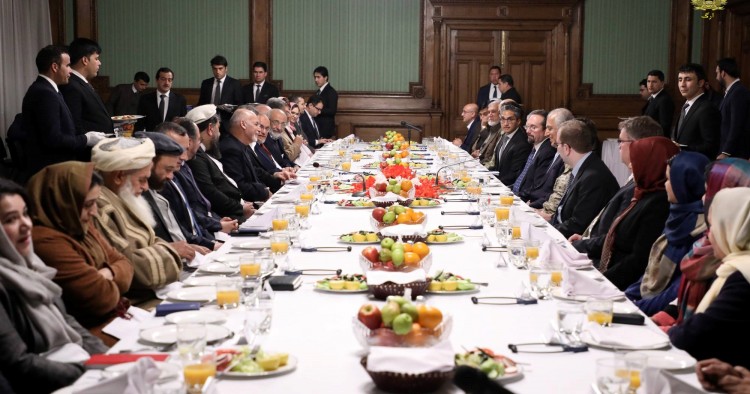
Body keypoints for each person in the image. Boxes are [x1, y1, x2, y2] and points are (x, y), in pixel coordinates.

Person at [0, 178, 108, 393]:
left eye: (25, 213)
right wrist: (88, 370)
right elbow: (18, 363)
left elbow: (68, 322)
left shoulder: (31, 265)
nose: (26, 224)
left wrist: (106, 359)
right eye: (12, 219)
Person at [26, 161, 134, 331]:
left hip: (114, 319)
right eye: (88, 204)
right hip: (88, 331)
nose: (94, 212)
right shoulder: (44, 241)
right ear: (64, 201)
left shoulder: (78, 223)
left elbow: (126, 264)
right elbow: (100, 298)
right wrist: (114, 274)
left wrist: (109, 272)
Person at [651, 158, 750, 331]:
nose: (703, 198)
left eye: (708, 191)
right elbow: (679, 299)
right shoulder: (706, 241)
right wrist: (664, 316)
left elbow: (706, 328)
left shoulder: (738, 262)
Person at [90, 137, 182, 304]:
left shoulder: (119, 197)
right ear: (118, 176)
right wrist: (172, 251)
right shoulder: (101, 207)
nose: (146, 187)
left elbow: (151, 241)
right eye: (142, 179)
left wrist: (162, 249)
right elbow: (132, 266)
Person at [668, 187, 750, 368]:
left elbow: (694, 337)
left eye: (714, 227)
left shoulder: (743, 278)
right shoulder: (734, 269)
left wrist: (666, 333)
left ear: (733, 229)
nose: (710, 235)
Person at [624, 151, 710, 315]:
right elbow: (650, 273)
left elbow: (676, 291)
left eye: (670, 179)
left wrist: (634, 308)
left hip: (662, 314)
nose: (665, 184)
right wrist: (625, 297)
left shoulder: (702, 229)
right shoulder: (677, 216)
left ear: (683, 184)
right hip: (646, 305)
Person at [569, 116, 663, 261]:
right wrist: (584, 239)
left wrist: (581, 245)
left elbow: (616, 238)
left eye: (621, 141)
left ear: (636, 145)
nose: (618, 146)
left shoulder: (641, 186)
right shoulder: (633, 180)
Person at [597, 137, 679, 290]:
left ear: (651, 164)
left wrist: (600, 282)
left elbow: (638, 260)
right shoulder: (643, 193)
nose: (629, 165)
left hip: (622, 286)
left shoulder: (659, 203)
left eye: (636, 160)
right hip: (611, 274)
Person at [19, 45, 105, 183]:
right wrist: (86, 139)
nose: (70, 70)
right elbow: (53, 139)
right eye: (68, 65)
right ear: (54, 67)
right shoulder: (45, 93)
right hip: (50, 172)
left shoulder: (47, 89)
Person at [183, 106, 255, 221]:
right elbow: (210, 193)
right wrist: (240, 208)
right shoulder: (196, 157)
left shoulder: (206, 153)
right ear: (210, 129)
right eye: (218, 128)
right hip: (227, 217)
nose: (220, 134)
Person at [551, 119, 619, 238]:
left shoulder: (593, 177)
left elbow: (578, 224)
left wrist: (546, 231)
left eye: (558, 144)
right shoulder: (586, 166)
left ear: (566, 148)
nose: (557, 149)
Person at [220, 108, 276, 202]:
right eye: (256, 124)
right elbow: (239, 186)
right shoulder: (231, 149)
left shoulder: (240, 145)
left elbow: (253, 171)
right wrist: (264, 192)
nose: (259, 129)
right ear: (243, 124)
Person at [60, 37, 113, 134]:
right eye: (96, 58)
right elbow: (75, 124)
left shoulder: (82, 83)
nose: (99, 63)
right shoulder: (71, 86)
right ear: (85, 60)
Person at [526, 108, 574, 209]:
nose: (546, 133)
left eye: (550, 128)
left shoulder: (568, 157)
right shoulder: (556, 151)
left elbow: (555, 193)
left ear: (563, 129)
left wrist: (532, 205)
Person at [673, 63, 720, 159]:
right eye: (680, 79)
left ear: (700, 83)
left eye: (688, 79)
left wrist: (682, 148)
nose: (682, 84)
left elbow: (711, 146)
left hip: (696, 166)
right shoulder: (686, 105)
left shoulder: (707, 108)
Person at [514, 109, 555, 197]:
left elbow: (536, 186)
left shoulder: (547, 152)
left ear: (545, 131)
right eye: (527, 126)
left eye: (533, 127)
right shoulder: (534, 148)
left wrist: (515, 197)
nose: (528, 131)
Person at [489, 104, 532, 185]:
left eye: (510, 119)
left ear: (518, 121)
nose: (505, 123)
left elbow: (514, 175)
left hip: (507, 187)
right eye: (502, 119)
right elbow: (497, 167)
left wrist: (492, 183)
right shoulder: (504, 135)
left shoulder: (522, 143)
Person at [716, 58, 750, 159]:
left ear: (723, 73)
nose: (716, 77)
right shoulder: (732, 92)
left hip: (735, 154)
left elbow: (736, 125)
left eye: (717, 73)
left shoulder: (738, 92)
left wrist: (726, 151)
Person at [644, 69, 675, 135]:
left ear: (662, 83)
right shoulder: (653, 98)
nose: (650, 85)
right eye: (648, 81)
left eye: (654, 82)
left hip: (658, 140)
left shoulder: (664, 100)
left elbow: (664, 126)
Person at [313, 66, 338, 138]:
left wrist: (318, 111)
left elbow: (332, 110)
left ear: (325, 77)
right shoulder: (318, 91)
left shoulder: (331, 92)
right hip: (318, 127)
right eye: (315, 77)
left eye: (318, 77)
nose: (316, 80)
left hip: (325, 129)